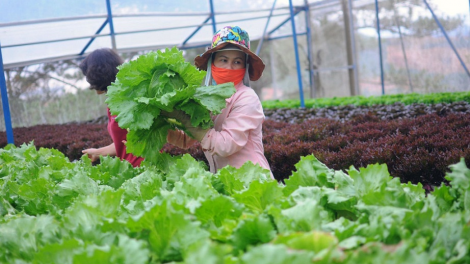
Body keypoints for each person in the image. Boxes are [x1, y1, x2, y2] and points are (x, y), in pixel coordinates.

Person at [165, 25, 273, 178]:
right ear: (212, 63)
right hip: (226, 181)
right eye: (223, 60)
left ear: (245, 67)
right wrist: (159, 121)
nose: (229, 67)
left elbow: (225, 145)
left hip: (251, 181)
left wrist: (185, 119)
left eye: (237, 62)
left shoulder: (247, 98)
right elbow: (184, 139)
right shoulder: (206, 99)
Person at [79, 48, 144, 167]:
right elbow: (125, 142)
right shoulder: (114, 102)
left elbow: (146, 137)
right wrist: (98, 153)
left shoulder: (129, 98)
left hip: (144, 168)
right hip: (130, 168)